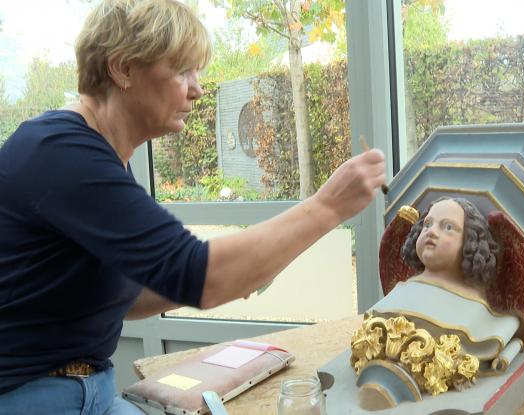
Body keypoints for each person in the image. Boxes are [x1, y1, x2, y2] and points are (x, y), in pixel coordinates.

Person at [0, 0, 386, 413]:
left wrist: (242, 271)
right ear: (122, 68)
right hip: (34, 396)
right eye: (182, 70)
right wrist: (329, 206)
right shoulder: (62, 152)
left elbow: (129, 295)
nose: (197, 88)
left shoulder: (99, 155)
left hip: (93, 390)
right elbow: (195, 272)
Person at [349, 198, 524, 401]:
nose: (431, 232)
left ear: (470, 242)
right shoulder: (401, 292)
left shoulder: (474, 310)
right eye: (427, 224)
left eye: (448, 227)